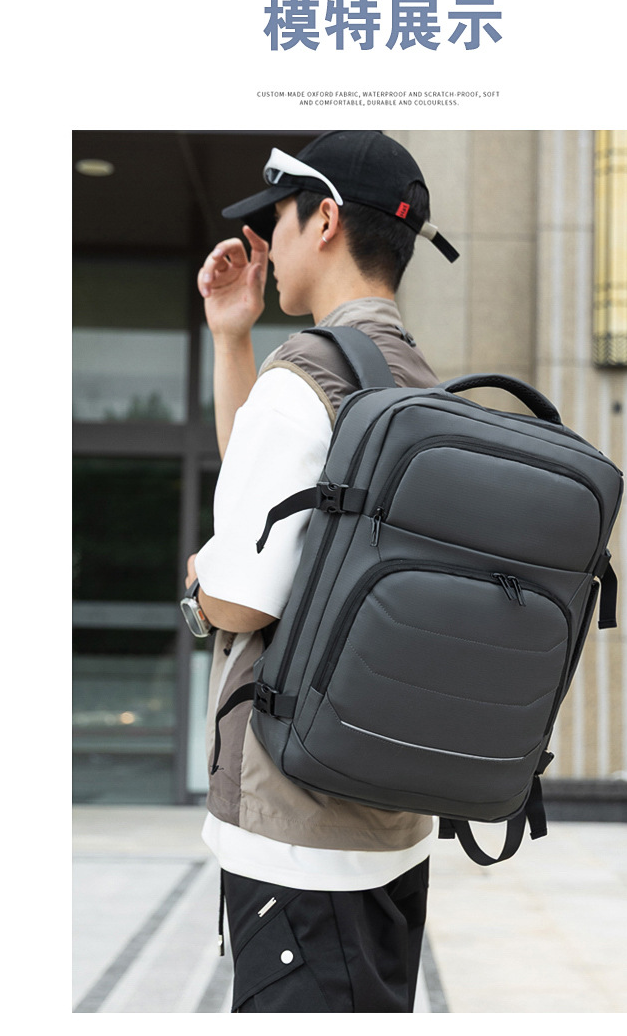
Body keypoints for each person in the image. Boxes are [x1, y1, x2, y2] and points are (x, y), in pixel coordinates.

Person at [182, 131, 459, 1012]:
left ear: (326, 219)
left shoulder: (303, 378)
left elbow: (240, 589)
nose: (270, 238)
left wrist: (196, 588)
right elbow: (271, 500)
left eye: (279, 218)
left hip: (294, 829)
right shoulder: (415, 384)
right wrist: (233, 338)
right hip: (389, 818)